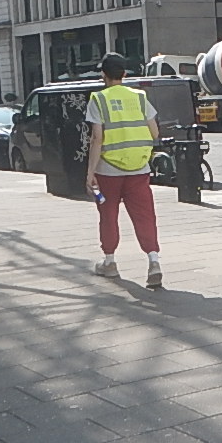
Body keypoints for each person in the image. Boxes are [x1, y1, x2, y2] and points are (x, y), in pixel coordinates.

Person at [84, 53, 164, 287]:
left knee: (107, 214)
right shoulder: (139, 97)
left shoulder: (98, 99)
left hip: (107, 171)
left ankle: (109, 262)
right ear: (125, 74)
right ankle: (153, 262)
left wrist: (90, 174)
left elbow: (97, 139)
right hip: (139, 169)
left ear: (103, 75)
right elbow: (155, 132)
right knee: (145, 215)